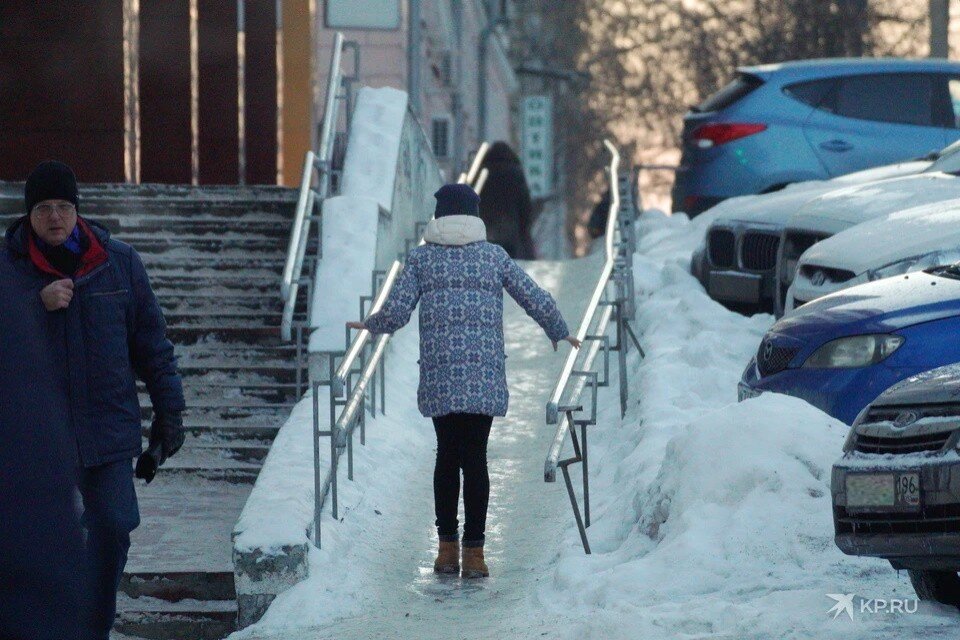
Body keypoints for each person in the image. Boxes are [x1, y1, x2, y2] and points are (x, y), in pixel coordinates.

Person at [348, 184, 580, 579]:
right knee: (475, 458)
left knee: (446, 455)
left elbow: (398, 311)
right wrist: (559, 329)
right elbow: (533, 295)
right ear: (475, 216)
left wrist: (371, 324)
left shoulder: (422, 260)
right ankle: (475, 554)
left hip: (440, 371)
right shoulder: (494, 256)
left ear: (438, 217)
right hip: (483, 372)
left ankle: (445, 550)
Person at [3, 161, 186, 639]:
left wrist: (170, 414)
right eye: (44, 208)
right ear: (29, 216)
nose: (56, 217)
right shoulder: (8, 270)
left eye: (64, 206)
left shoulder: (117, 261)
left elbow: (152, 344)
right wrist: (33, 307)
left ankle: (92, 629)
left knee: (113, 531)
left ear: (77, 210)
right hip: (33, 438)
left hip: (105, 429)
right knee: (30, 543)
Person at [478, 141, 538, 260]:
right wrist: (524, 230)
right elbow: (525, 206)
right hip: (509, 232)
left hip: (484, 231)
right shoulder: (515, 174)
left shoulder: (481, 174)